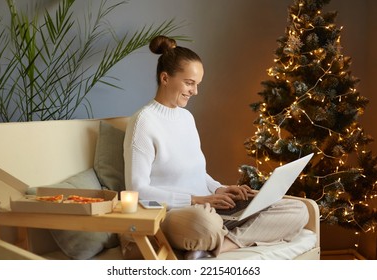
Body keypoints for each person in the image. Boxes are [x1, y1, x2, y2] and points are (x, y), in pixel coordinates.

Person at [123, 35, 309, 259]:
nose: (195, 91)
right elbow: (137, 191)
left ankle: (222, 245)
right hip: (178, 214)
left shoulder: (186, 118)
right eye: (189, 83)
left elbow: (197, 174)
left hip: (210, 207)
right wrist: (197, 200)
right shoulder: (143, 122)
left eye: (197, 84)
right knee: (204, 223)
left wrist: (218, 189)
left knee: (297, 210)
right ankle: (222, 234)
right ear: (165, 78)